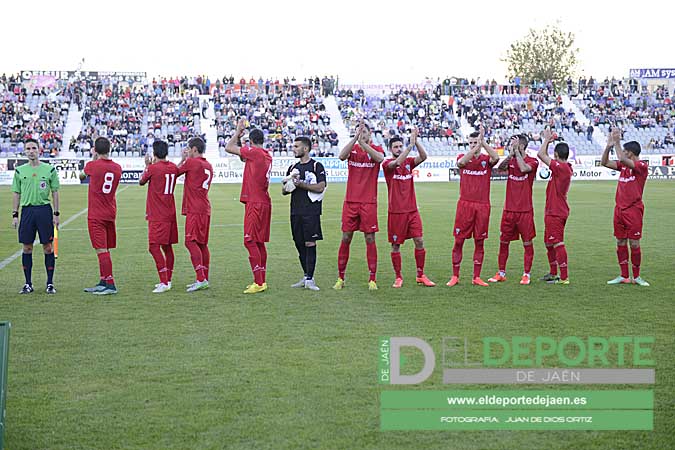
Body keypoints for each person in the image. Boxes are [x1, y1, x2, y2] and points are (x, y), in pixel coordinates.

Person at [334, 122, 385, 291]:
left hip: (368, 202)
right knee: (346, 237)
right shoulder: (352, 149)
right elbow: (341, 156)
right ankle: (341, 278)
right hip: (351, 201)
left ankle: (372, 279)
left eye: (364, 132)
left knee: (370, 238)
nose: (362, 134)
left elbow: (380, 159)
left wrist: (364, 144)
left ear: (370, 133)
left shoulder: (376, 148)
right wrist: (356, 140)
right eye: (359, 132)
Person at [382, 129, 435, 288]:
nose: (398, 149)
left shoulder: (409, 162)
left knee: (419, 240)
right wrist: (409, 146)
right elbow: (396, 163)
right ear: (390, 149)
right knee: (396, 245)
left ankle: (421, 275)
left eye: (400, 146)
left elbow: (424, 157)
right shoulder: (387, 164)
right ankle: (398, 277)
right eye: (396, 147)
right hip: (396, 212)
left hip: (412, 211)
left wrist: (416, 141)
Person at [448, 126, 499, 287]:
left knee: (479, 242)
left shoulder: (486, 160)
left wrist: (483, 143)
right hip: (465, 205)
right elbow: (461, 163)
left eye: (475, 142)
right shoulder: (463, 157)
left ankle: (476, 277)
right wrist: (477, 147)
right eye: (470, 143)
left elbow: (496, 157)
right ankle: (455, 276)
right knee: (459, 241)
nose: (473, 145)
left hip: (482, 206)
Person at [226, 118, 273, 294]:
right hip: (263, 201)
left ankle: (259, 282)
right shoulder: (265, 155)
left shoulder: (255, 153)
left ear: (251, 142)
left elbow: (229, 147)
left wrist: (238, 132)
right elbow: (242, 157)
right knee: (259, 242)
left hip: (256, 202)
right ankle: (262, 280)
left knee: (249, 240)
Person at [601, 128, 650, 286]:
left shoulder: (641, 166)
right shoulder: (623, 167)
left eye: (625, 151)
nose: (622, 152)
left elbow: (621, 157)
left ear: (630, 153)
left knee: (634, 243)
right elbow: (604, 162)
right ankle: (624, 276)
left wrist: (616, 141)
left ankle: (636, 277)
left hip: (634, 210)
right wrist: (609, 146)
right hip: (619, 210)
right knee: (620, 241)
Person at [11, 138, 60, 294]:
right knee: (27, 247)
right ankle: (28, 284)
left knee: (48, 247)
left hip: (44, 210)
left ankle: (50, 283)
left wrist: (56, 214)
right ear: (25, 151)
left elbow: (55, 192)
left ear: (39, 150)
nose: (31, 151)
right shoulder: (20, 171)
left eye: (33, 148)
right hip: (27, 211)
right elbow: (16, 193)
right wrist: (15, 214)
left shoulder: (49, 170)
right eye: (28, 148)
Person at [488, 134, 539, 285]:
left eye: (514, 144)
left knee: (527, 243)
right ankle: (501, 273)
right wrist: (511, 154)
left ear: (522, 146)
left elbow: (524, 169)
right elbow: (499, 168)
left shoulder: (533, 161)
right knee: (503, 242)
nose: (511, 146)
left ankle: (526, 274)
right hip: (509, 210)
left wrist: (517, 153)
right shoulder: (511, 160)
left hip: (525, 210)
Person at [282, 136, 327, 291]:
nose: (293, 148)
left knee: (310, 243)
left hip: (311, 211)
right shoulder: (292, 168)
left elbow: (321, 186)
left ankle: (310, 278)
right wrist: (288, 185)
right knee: (299, 243)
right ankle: (307, 275)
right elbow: (284, 191)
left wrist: (300, 184)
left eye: (296, 146)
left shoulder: (316, 166)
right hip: (295, 211)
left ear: (305, 148)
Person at [81, 137, 123, 295]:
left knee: (101, 250)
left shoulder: (92, 165)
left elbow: (81, 177)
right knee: (105, 248)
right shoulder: (117, 167)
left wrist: (93, 159)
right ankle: (103, 280)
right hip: (110, 211)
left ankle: (110, 284)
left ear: (94, 150)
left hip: (96, 213)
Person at [139, 140, 178, 293]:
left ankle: (164, 282)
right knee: (167, 247)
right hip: (170, 213)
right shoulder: (173, 168)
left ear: (155, 154)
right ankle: (167, 279)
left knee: (153, 247)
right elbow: (177, 170)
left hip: (157, 214)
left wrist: (147, 165)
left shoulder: (153, 169)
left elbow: (141, 181)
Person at [537, 128, 573, 285]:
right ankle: (553, 272)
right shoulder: (562, 168)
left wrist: (546, 140)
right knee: (548, 242)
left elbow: (541, 155)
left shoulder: (562, 168)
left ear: (557, 156)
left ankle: (564, 277)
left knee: (557, 242)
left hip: (556, 211)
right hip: (553, 210)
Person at [177, 137, 213, 292]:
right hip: (205, 208)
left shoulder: (192, 163)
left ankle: (201, 278)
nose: (187, 151)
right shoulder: (208, 165)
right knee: (202, 244)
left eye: (188, 149)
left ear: (194, 149)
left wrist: (182, 159)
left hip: (195, 209)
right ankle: (204, 277)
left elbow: (174, 172)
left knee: (190, 242)